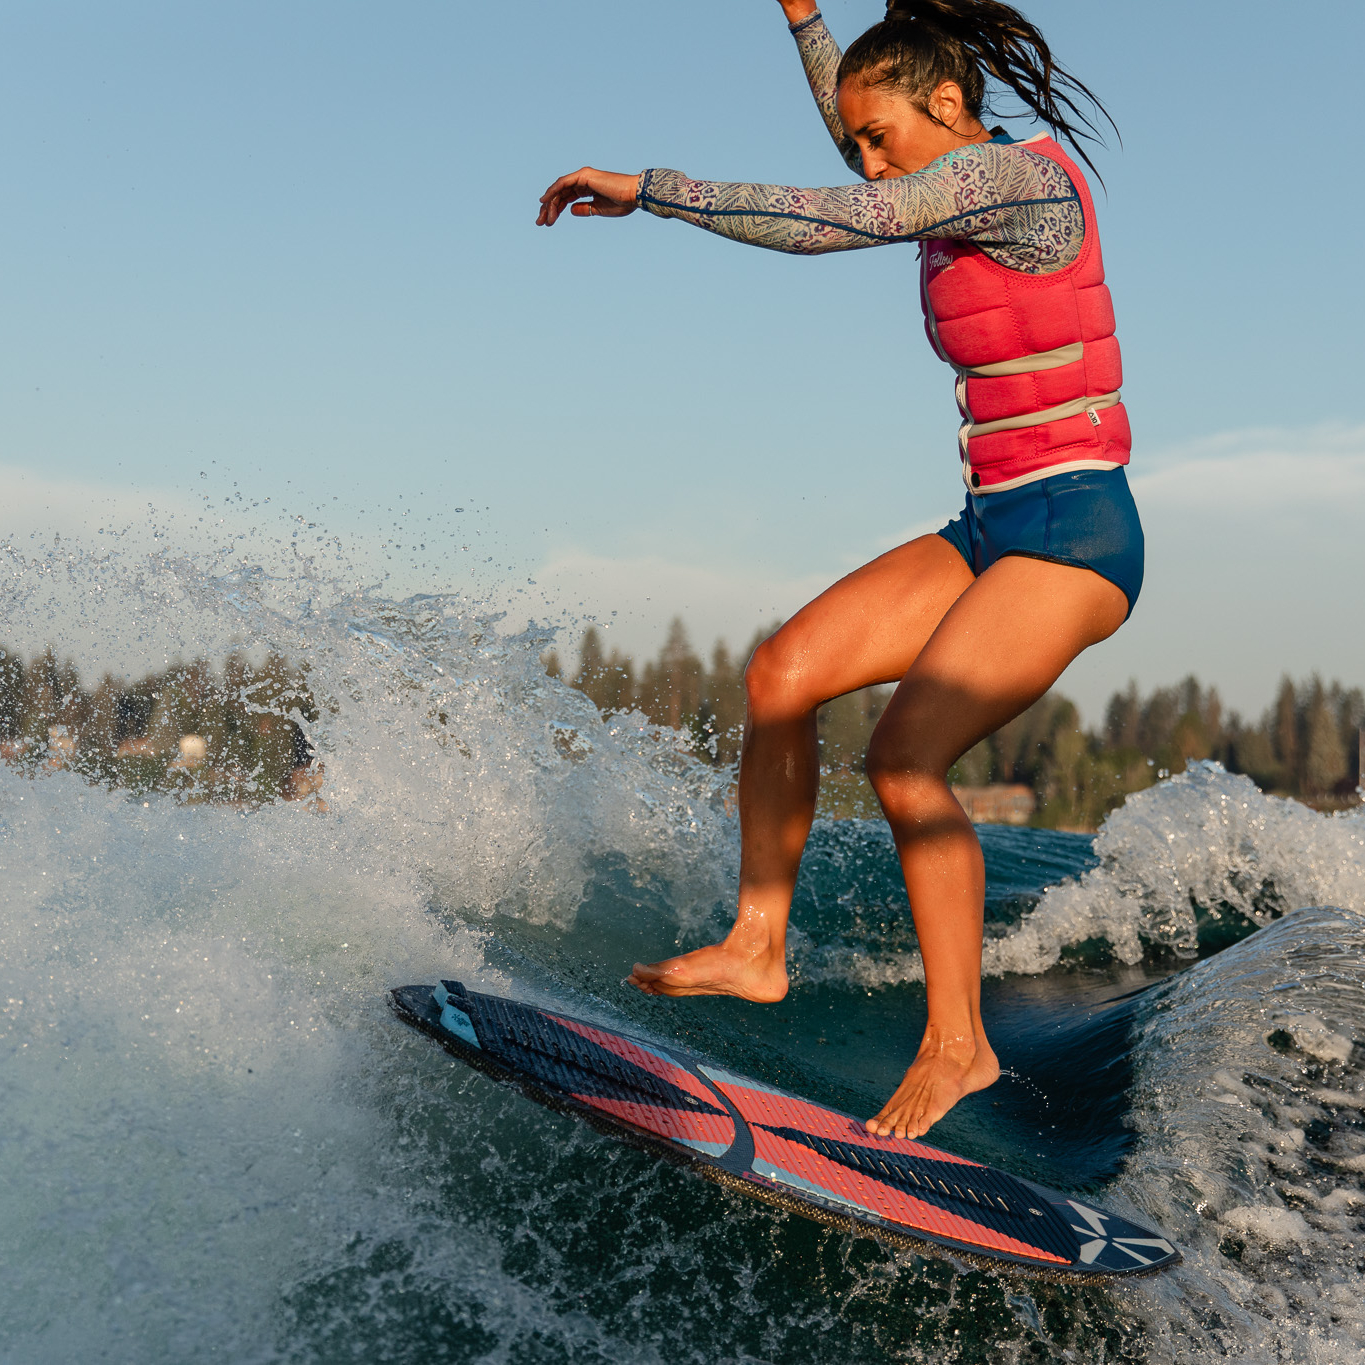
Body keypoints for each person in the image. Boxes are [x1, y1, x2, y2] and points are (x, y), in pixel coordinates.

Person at [537, 0, 1142, 1142]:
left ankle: (960, 1043)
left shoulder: (1017, 186)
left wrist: (650, 187)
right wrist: (808, 18)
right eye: (857, 143)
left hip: (1076, 534)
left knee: (904, 758)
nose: (864, 160)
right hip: (988, 528)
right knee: (784, 670)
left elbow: (833, 220)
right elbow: (859, 145)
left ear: (950, 107)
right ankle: (758, 943)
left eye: (880, 138)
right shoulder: (936, 169)